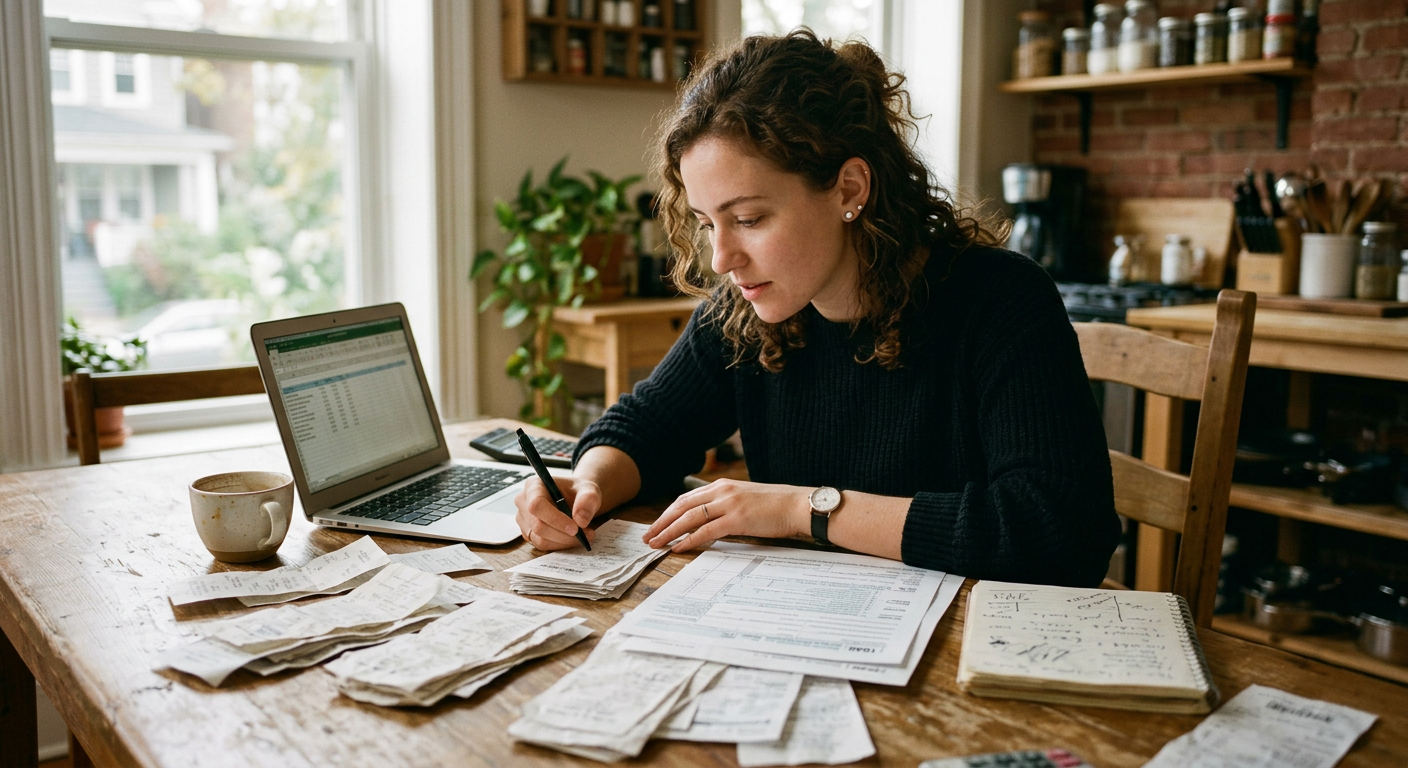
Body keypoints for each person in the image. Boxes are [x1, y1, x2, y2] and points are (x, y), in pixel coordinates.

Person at [514, 30, 1119, 587]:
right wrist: (587, 483)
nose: (722, 258)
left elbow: (1061, 533)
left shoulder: (999, 301)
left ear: (850, 190)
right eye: (707, 223)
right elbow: (645, 429)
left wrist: (802, 508)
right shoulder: (745, 310)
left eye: (749, 219)